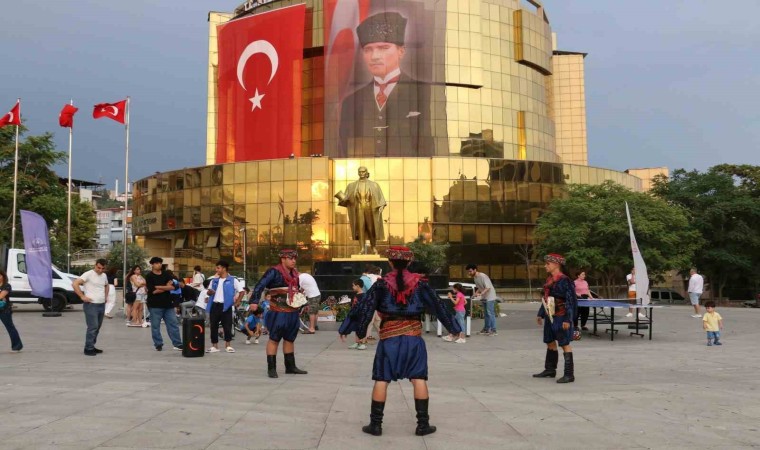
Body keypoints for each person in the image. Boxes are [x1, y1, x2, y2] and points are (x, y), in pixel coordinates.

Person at [344, 246, 461, 437]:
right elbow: (439, 306)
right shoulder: (420, 284)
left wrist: (355, 329)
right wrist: (454, 328)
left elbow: (365, 307)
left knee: (382, 379)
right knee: (418, 378)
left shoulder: (381, 285)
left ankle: (376, 425)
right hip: (413, 338)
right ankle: (423, 425)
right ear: (409, 262)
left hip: (389, 339)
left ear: (390, 262)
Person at [338, 11, 434, 157]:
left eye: (383, 48)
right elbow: (345, 153)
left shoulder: (423, 92)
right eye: (368, 50)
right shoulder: (350, 102)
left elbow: (428, 146)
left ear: (401, 51)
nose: (374, 56)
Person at [251, 249, 308, 378]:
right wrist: (254, 301)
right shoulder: (273, 272)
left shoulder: (295, 274)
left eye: (295, 258)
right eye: (290, 258)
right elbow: (260, 285)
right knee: (274, 339)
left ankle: (290, 366)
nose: (293, 261)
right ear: (283, 259)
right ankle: (271, 369)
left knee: (290, 338)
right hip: (278, 312)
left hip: (293, 312)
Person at [533, 253, 578, 384]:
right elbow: (546, 298)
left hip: (561, 316)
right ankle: (550, 369)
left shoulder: (565, 280)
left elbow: (571, 301)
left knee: (564, 344)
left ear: (556, 264)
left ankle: (569, 374)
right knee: (549, 341)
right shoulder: (549, 279)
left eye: (548, 263)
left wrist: (568, 319)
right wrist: (541, 313)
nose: (545, 266)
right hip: (550, 315)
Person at [336, 167, 386, 254]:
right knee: (360, 228)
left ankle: (373, 247)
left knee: (371, 228)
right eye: (359, 172)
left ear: (366, 173)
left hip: (370, 208)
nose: (361, 173)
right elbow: (346, 199)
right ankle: (362, 248)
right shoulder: (352, 186)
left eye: (363, 172)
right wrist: (341, 197)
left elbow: (381, 198)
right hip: (358, 208)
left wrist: (382, 205)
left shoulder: (374, 185)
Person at [144, 257, 183, 351]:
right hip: (154, 305)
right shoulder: (149, 276)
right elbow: (153, 291)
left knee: (173, 324)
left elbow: (173, 287)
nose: (159, 265)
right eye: (157, 263)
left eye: (160, 263)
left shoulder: (166, 274)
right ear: (152, 264)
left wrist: (159, 287)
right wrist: (166, 286)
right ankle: (158, 344)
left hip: (168, 304)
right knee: (155, 326)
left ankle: (178, 343)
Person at [205, 260, 244, 353]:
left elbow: (242, 292)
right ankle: (214, 346)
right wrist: (210, 292)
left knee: (227, 326)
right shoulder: (214, 280)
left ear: (224, 268)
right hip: (215, 305)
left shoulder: (233, 280)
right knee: (213, 326)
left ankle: (228, 345)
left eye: (218, 268)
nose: (216, 270)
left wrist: (237, 302)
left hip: (226, 306)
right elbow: (208, 292)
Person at [73, 258, 109, 356]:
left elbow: (106, 285)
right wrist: (82, 296)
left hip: (101, 304)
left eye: (103, 269)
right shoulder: (88, 274)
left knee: (97, 327)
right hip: (91, 305)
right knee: (93, 327)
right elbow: (75, 283)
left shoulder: (104, 275)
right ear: (95, 265)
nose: (100, 270)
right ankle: (88, 349)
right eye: (99, 268)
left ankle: (91, 345)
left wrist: (106, 296)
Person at [466, 264, 498, 336]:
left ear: (475, 270)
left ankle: (494, 330)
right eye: (468, 271)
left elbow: (488, 287)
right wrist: (475, 294)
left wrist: (481, 294)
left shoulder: (483, 276)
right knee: (486, 314)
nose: (469, 273)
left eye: (470, 271)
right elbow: (479, 287)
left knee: (490, 313)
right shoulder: (475, 278)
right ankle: (486, 329)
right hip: (484, 297)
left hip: (490, 297)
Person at [338, 279, 368, 350]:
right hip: (355, 314)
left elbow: (364, 306)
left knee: (362, 328)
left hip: (361, 314)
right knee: (357, 328)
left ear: (358, 286)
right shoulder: (356, 294)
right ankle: (357, 342)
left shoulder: (364, 295)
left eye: (353, 285)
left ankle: (363, 342)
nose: (352, 287)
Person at [0, 270, 23, 352]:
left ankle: (17, 345)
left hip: (4, 310)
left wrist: (2, 297)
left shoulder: (7, 286)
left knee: (10, 327)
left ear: (3, 276)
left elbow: (1, 296)